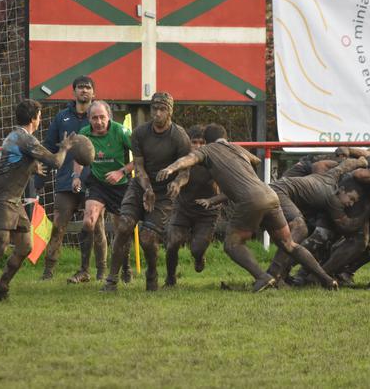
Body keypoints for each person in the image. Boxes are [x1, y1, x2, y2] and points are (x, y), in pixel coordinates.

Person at [157, 123, 338, 292]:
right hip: (270, 195)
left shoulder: (208, 150)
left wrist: (170, 169)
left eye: (201, 142)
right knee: (289, 244)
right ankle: (327, 280)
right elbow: (256, 161)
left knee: (232, 244)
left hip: (250, 200)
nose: (199, 145)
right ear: (225, 138)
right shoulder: (236, 148)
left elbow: (188, 160)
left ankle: (263, 277)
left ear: (207, 140)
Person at [0, 99, 74, 300]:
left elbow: (13, 160)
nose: (40, 119)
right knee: (0, 245)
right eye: (40, 116)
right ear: (34, 118)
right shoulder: (26, 139)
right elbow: (56, 162)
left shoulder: (15, 136)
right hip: (1, 198)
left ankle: (1, 287)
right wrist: (66, 147)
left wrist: (31, 166)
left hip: (13, 200)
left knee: (26, 246)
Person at [102, 92, 191, 292]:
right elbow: (139, 166)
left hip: (164, 192)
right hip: (141, 185)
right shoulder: (140, 133)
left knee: (147, 238)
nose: (157, 114)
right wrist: (147, 187)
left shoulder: (179, 136)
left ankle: (152, 271)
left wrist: (177, 183)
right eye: (154, 109)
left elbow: (185, 172)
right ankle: (111, 280)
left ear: (170, 111)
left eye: (162, 109)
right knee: (124, 226)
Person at [36, 75, 107, 282]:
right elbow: (50, 147)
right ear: (73, 91)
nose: (84, 91)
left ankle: (101, 271)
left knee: (96, 225)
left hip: (94, 182)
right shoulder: (61, 118)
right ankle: (48, 272)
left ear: (94, 92)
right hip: (66, 180)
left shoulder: (99, 117)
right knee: (58, 225)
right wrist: (41, 178)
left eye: (88, 88)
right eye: (80, 87)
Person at [71, 100, 134, 281]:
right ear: (89, 119)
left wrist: (121, 171)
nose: (98, 122)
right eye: (94, 118)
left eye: (102, 118)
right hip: (97, 183)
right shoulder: (84, 134)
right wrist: (76, 176)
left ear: (109, 117)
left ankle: (125, 268)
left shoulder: (121, 132)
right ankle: (84, 270)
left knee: (122, 229)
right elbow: (78, 157)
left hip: (120, 185)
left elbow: (140, 158)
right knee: (89, 221)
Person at [164, 125, 221, 287]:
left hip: (207, 211)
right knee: (173, 242)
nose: (198, 146)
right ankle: (170, 278)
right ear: (188, 143)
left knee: (196, 248)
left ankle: (199, 255)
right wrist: (176, 184)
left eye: (201, 142)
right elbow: (184, 176)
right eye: (194, 142)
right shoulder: (183, 159)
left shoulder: (215, 159)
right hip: (184, 208)